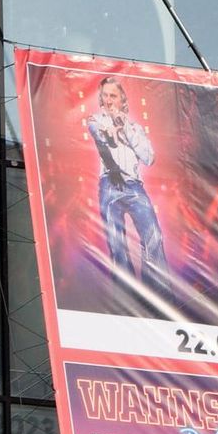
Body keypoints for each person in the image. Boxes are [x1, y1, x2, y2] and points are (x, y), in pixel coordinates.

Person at [84, 77, 167, 295]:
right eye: (105, 96)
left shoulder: (135, 127)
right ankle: (126, 293)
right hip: (110, 184)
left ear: (122, 99)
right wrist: (111, 133)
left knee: (153, 236)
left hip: (134, 185)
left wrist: (126, 129)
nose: (108, 100)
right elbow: (103, 140)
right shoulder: (95, 120)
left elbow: (148, 158)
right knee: (116, 242)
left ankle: (156, 291)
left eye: (113, 95)